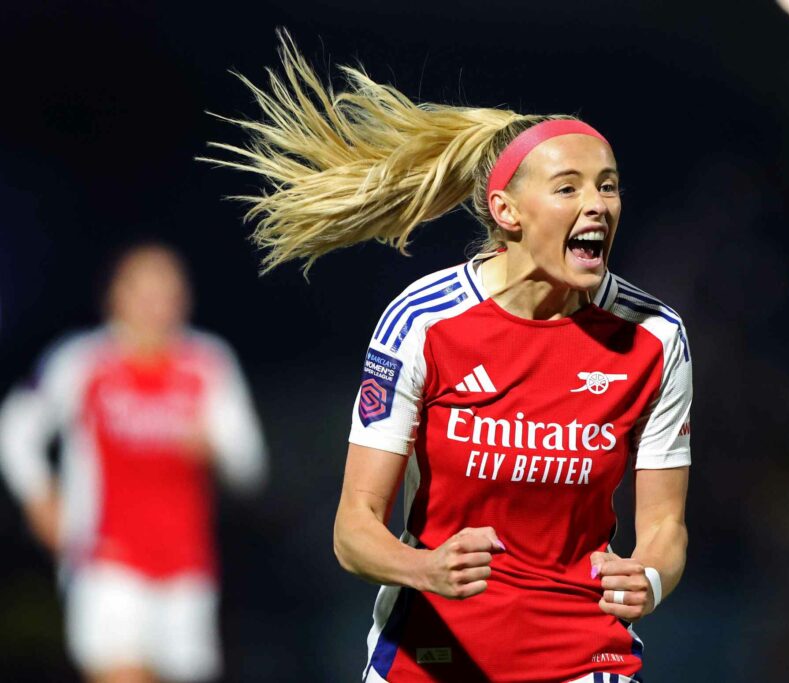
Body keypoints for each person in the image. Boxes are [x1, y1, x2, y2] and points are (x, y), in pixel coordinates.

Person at [208, 33, 691, 683]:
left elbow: (665, 524)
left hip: (582, 654)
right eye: (569, 187)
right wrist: (423, 568)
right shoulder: (425, 321)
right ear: (507, 211)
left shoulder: (655, 336)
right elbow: (354, 529)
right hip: (433, 654)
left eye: (607, 186)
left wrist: (650, 579)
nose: (597, 205)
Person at [0, 244, 268, 683]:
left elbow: (251, 466)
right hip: (106, 561)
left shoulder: (207, 363)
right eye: (142, 289)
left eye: (166, 291)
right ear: (115, 295)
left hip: (187, 567)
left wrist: (213, 448)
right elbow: (15, 426)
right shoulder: (83, 360)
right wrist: (40, 496)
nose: (154, 303)